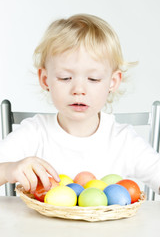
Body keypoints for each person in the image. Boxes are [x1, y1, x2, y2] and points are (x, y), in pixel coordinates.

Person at [0, 14, 160, 195]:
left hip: (108, 225)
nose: (78, 89)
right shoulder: (34, 132)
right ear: (45, 80)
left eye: (93, 79)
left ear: (113, 82)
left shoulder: (123, 140)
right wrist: (8, 170)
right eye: (65, 78)